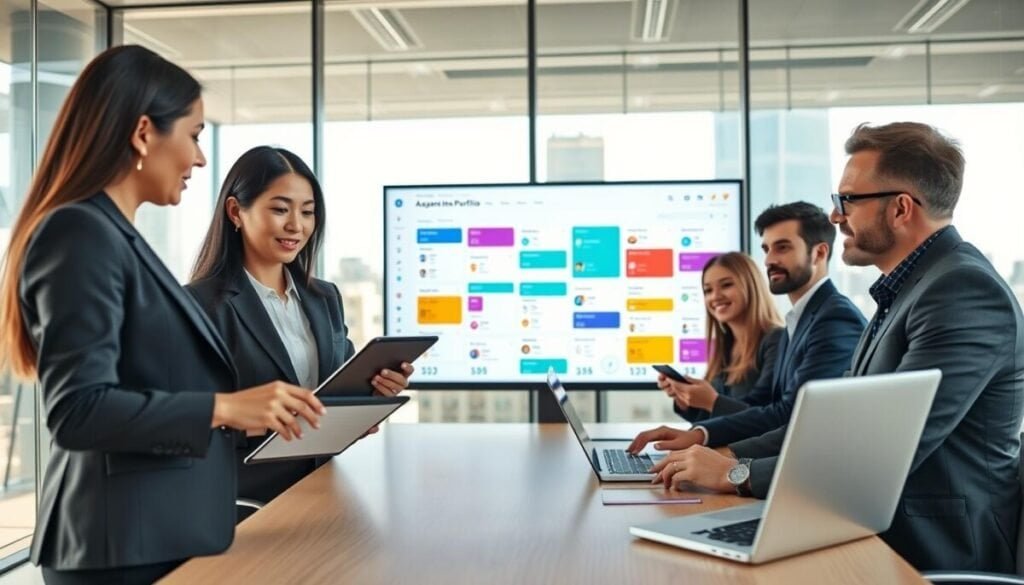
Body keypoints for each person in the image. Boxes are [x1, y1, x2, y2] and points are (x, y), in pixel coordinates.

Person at [0, 46, 325, 584]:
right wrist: (226, 407)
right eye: (194, 135)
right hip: (117, 550)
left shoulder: (117, 236)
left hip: (155, 535)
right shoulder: (80, 233)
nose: (199, 159)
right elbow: (78, 411)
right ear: (144, 132)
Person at [650, 122, 1024, 573]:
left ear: (901, 208)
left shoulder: (961, 291)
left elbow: (888, 450)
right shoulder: (905, 291)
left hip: (931, 551)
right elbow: (824, 427)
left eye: (847, 200)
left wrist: (735, 473)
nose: (834, 216)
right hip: (869, 527)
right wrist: (723, 455)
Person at [187, 146, 414, 506]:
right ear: (235, 211)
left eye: (307, 212)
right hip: (245, 503)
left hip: (327, 492)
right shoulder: (199, 305)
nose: (297, 225)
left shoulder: (324, 297)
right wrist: (263, 421)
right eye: (280, 209)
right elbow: (187, 420)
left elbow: (336, 390)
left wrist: (373, 396)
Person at [628, 202, 865, 455]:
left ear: (819, 253)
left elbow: (794, 416)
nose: (769, 260)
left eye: (782, 247)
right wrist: (696, 427)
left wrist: (705, 439)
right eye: (766, 249)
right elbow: (766, 408)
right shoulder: (798, 321)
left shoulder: (834, 318)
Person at [662, 252, 784, 422]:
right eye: (708, 290)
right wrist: (684, 398)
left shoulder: (776, 339)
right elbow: (711, 420)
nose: (715, 296)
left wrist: (712, 402)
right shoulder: (726, 344)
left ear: (751, 286)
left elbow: (763, 416)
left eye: (726, 285)